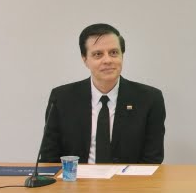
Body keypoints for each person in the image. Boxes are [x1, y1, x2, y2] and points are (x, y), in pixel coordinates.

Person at [39, 23, 166, 164]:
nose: (107, 60)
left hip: (129, 178)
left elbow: (152, 159)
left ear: (122, 56)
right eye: (98, 54)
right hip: (76, 177)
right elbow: (49, 158)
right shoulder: (61, 98)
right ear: (85, 59)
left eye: (114, 52)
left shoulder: (149, 99)